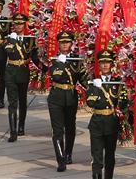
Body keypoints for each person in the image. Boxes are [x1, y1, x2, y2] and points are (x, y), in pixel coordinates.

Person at [47, 30, 84, 171]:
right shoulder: (53, 60)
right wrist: (60, 63)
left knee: (70, 127)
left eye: (67, 42)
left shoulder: (77, 60)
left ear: (71, 44)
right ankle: (60, 159)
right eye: (62, 43)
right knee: (57, 131)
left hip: (70, 97)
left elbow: (83, 79)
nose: (64, 45)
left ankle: (68, 153)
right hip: (56, 97)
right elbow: (54, 76)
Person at [86, 49, 127, 179]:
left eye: (107, 62)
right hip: (97, 122)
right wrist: (97, 89)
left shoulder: (118, 82)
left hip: (111, 122)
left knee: (110, 156)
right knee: (97, 156)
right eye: (102, 62)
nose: (105, 65)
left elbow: (124, 102)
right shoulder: (93, 81)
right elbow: (90, 102)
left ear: (111, 64)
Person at [3, 12, 39, 142]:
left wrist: (45, 68)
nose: (18, 26)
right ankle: (13, 131)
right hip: (11, 71)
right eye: (16, 24)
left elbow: (34, 57)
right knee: (12, 102)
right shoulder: (8, 39)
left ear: (24, 24)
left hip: (23, 71)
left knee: (22, 100)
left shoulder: (30, 39)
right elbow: (5, 54)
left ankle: (21, 126)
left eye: (21, 24)